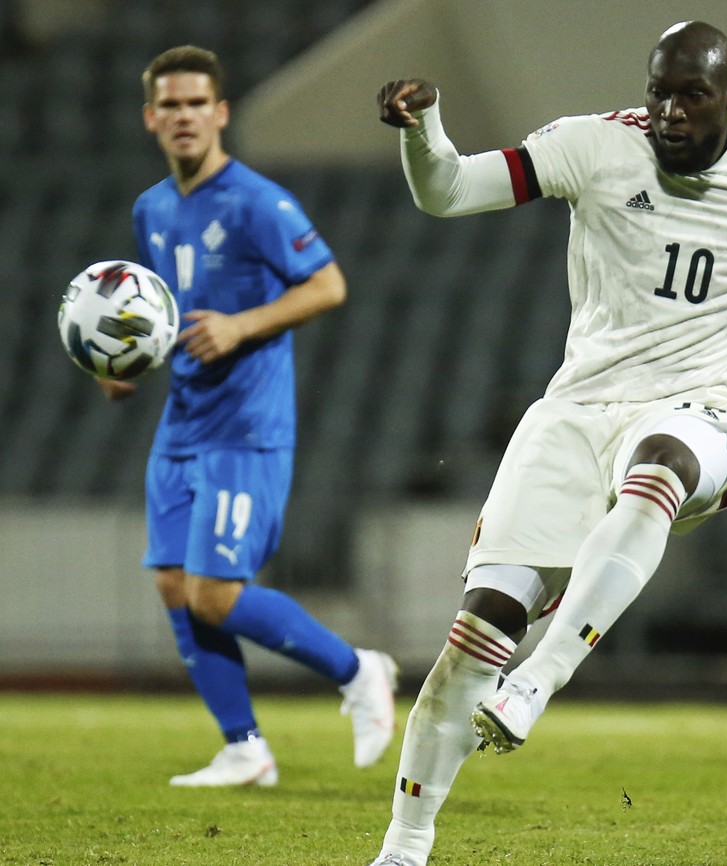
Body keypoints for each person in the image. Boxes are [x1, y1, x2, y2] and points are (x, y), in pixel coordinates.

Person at [366, 20, 727, 866]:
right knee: (474, 639)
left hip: (703, 410)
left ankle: (539, 681)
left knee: (662, 467)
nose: (671, 113)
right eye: (660, 94)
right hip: (576, 412)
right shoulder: (590, 148)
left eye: (691, 95)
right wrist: (426, 132)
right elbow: (449, 193)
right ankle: (404, 845)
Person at [100, 45, 398, 787]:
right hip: (183, 420)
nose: (184, 116)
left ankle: (357, 668)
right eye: (169, 105)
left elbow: (328, 285)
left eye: (197, 103)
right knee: (174, 583)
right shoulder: (152, 209)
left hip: (248, 427)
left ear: (221, 113)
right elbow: (162, 314)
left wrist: (243, 326)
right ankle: (244, 747)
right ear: (151, 118)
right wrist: (125, 362)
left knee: (214, 593)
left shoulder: (258, 201)